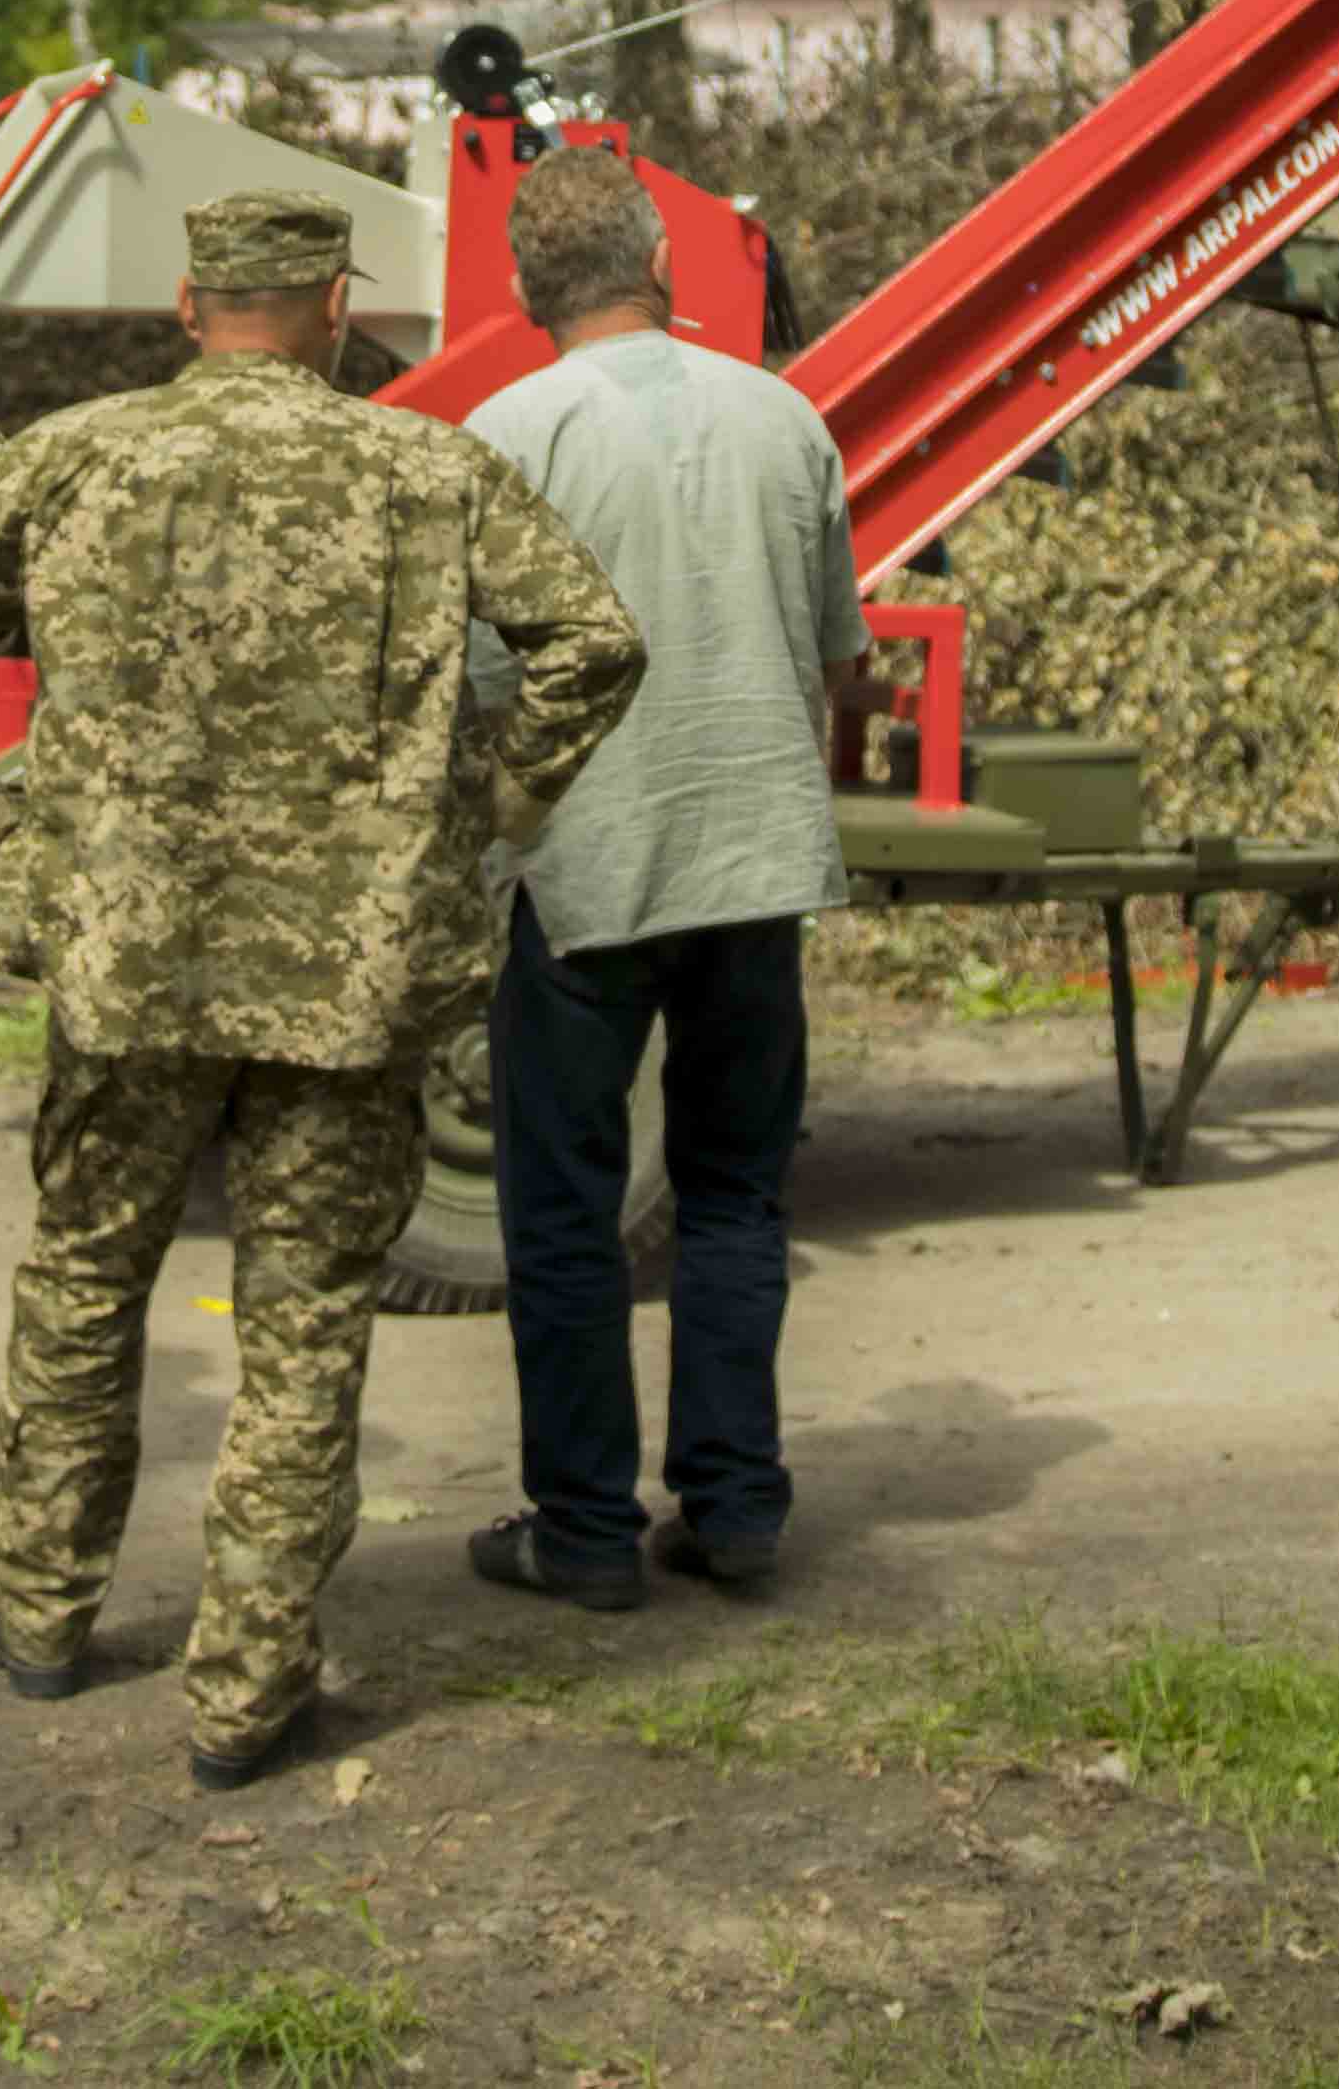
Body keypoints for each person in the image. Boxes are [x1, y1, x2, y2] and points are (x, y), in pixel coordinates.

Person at [0, 190, 642, 1789]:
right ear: (337, 304)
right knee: (303, 1322)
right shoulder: (428, 465)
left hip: (123, 962)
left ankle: (44, 1619)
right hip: (347, 980)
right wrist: (472, 806)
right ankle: (246, 1689)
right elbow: (594, 646)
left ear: (193, 304)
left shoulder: (73, 455)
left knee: (83, 1279)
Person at [451, 147, 865, 1610]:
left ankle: (580, 1531)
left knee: (563, 1212)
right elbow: (836, 660)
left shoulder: (503, 431)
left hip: (585, 868)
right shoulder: (784, 415)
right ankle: (736, 1508)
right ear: (664, 268)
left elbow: (479, 676)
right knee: (736, 1195)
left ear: (521, 292)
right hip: (754, 861)